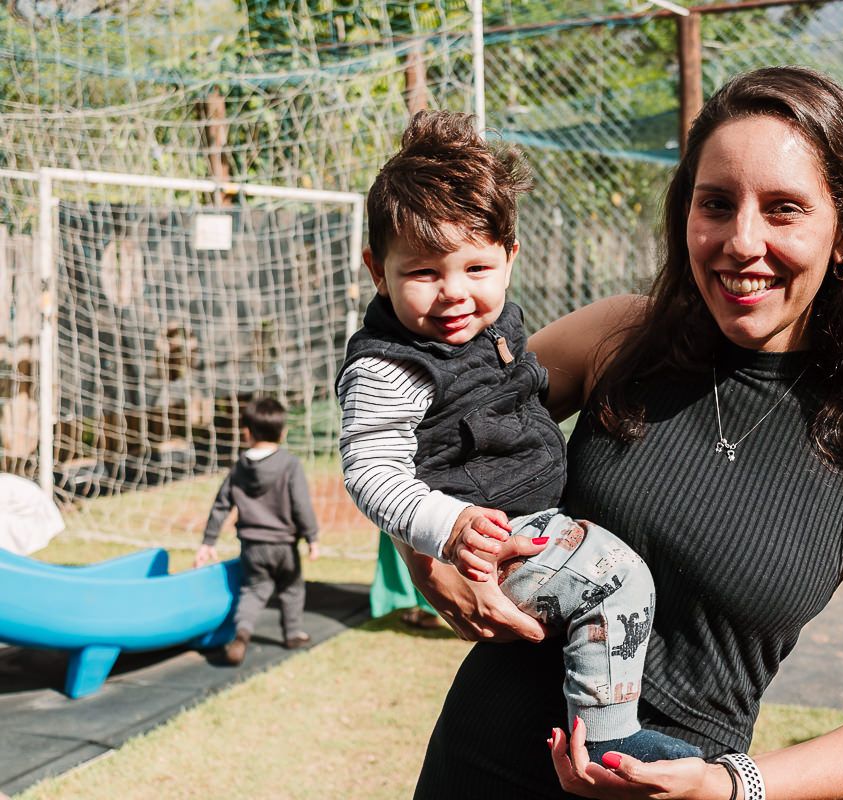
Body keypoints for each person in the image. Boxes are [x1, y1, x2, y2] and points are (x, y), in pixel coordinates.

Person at [407, 65, 843, 799]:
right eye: (716, 204)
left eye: (783, 209)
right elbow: (431, 427)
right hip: (475, 771)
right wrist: (426, 548)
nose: (742, 241)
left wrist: (727, 785)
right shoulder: (618, 339)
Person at [335, 110, 701, 763]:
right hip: (492, 542)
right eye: (423, 273)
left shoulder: (498, 327)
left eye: (476, 269)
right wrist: (444, 530)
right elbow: (369, 471)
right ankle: (609, 735)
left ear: (510, 258)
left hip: (535, 522)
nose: (454, 293)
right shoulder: (389, 366)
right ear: (375, 269)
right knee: (617, 581)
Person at [194, 397, 320, 666]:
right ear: (283, 432)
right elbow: (301, 504)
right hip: (284, 546)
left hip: (252, 547)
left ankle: (242, 633)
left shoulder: (239, 467)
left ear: (246, 432)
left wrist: (208, 541)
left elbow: (221, 505)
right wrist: (312, 537)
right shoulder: (289, 464)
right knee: (291, 588)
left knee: (254, 590)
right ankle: (293, 633)